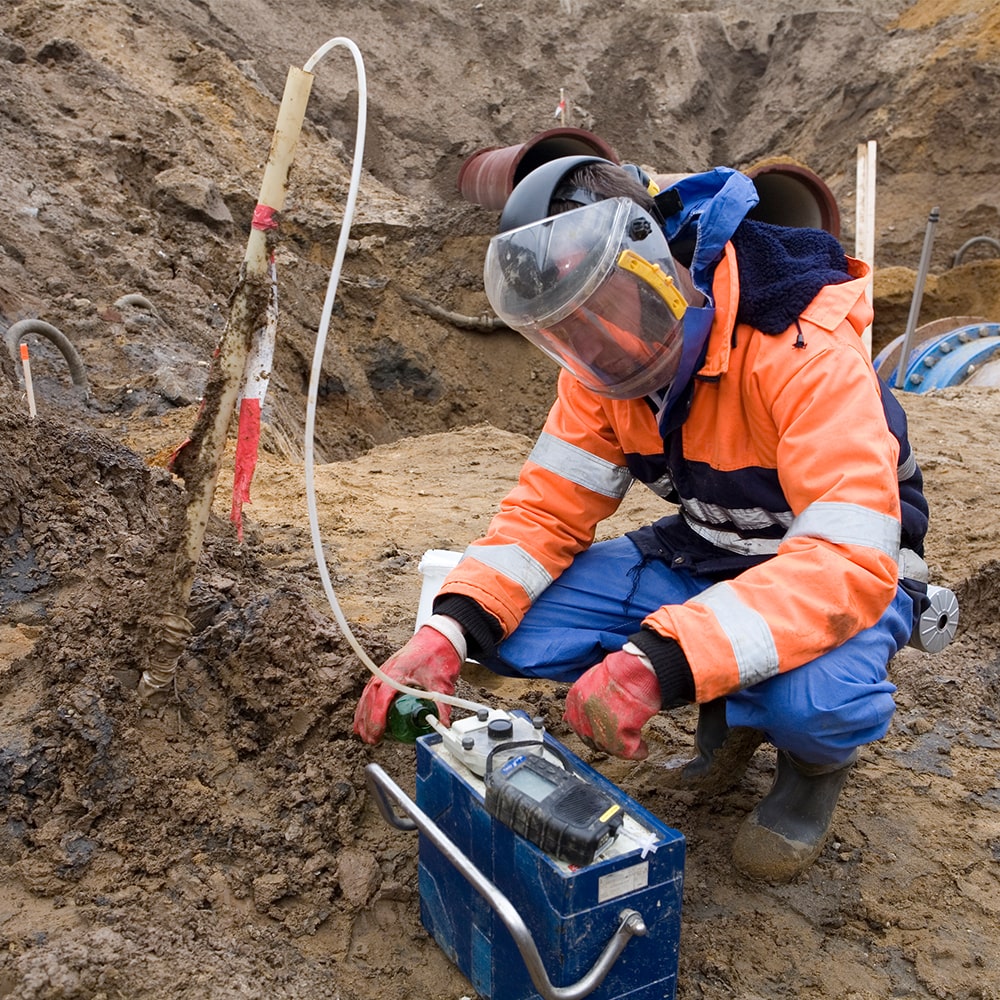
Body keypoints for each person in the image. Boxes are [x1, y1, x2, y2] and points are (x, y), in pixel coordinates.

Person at [354, 155, 930, 883]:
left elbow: (848, 561)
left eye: (602, 310)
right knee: (507, 636)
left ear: (655, 263)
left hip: (846, 574)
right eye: (567, 331)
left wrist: (661, 661)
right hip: (709, 548)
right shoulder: (598, 373)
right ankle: (729, 704)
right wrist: (447, 630)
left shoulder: (802, 349)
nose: (591, 347)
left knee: (814, 705)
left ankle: (809, 772)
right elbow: (544, 512)